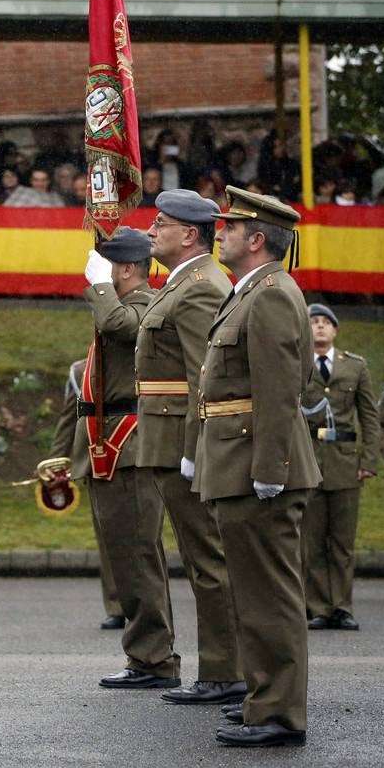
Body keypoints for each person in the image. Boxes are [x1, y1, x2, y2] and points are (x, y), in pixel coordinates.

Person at [198, 186, 320, 747]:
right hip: (241, 458)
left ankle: (277, 712)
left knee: (268, 593)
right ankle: (262, 697)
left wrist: (270, 466)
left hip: (256, 462)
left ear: (256, 239)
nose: (218, 233)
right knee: (253, 591)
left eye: (228, 227)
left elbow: (279, 388)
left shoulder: (270, 294)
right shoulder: (257, 290)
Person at [136, 190, 245, 705]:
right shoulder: (181, 283)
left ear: (189, 235)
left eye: (161, 223)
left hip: (182, 439)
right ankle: (225, 668)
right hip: (164, 437)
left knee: (208, 558)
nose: (151, 230)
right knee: (202, 555)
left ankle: (226, 671)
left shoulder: (201, 286)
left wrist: (195, 447)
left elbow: (207, 376)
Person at [80, 228, 179, 690]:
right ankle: (147, 655)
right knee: (126, 555)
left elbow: (119, 326)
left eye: (109, 268)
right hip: (111, 446)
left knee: (138, 555)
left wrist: (100, 286)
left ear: (125, 268)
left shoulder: (145, 304)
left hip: (132, 446)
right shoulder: (126, 302)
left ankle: (154, 658)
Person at [300, 303, 380, 631]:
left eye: (325, 322)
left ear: (334, 330)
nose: (319, 327)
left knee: (343, 544)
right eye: (313, 322)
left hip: (346, 464)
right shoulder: (299, 365)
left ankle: (342, 607)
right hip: (311, 463)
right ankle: (319, 607)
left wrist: (369, 460)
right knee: (313, 543)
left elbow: (369, 418)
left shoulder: (355, 367)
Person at [45, 358, 123, 629]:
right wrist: (55, 465)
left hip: (147, 457)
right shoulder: (81, 371)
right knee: (108, 536)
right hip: (101, 460)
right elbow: (69, 419)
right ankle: (117, 605)